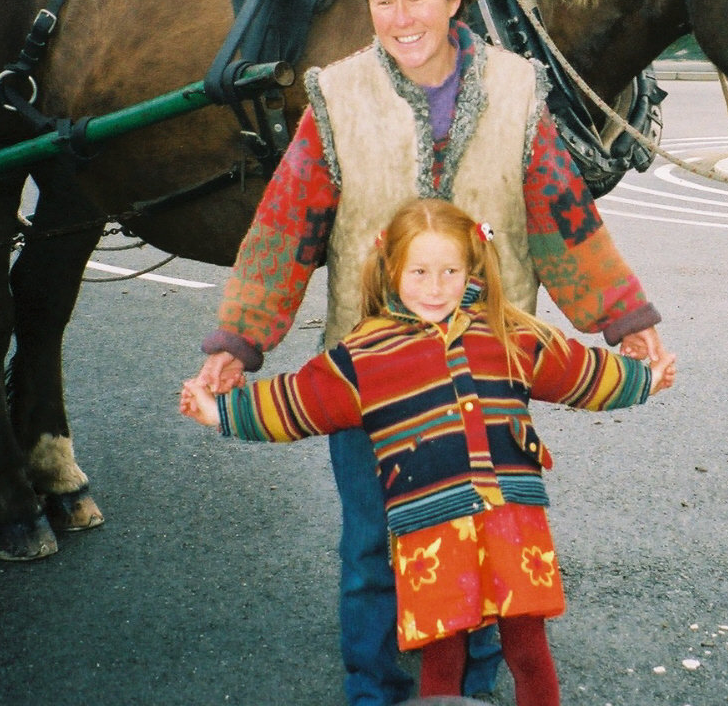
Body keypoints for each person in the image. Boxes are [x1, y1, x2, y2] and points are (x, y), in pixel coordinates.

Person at [193, 0, 669, 706]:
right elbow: (285, 224)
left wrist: (621, 313)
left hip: (487, 367)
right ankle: (375, 693)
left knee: (482, 546)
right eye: (383, 0)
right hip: (371, 373)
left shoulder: (517, 90)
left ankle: (469, 695)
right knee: (374, 553)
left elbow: (559, 211)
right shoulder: (337, 94)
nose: (401, 17)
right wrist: (239, 340)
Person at [181, 198, 676, 706]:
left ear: (471, 269)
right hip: (430, 533)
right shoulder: (364, 355)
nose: (435, 287)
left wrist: (645, 378)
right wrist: (221, 413)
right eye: (419, 272)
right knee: (442, 654)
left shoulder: (510, 334)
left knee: (529, 651)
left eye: (449, 272)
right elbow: (299, 402)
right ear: (391, 268)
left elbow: (579, 373)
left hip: (514, 525)